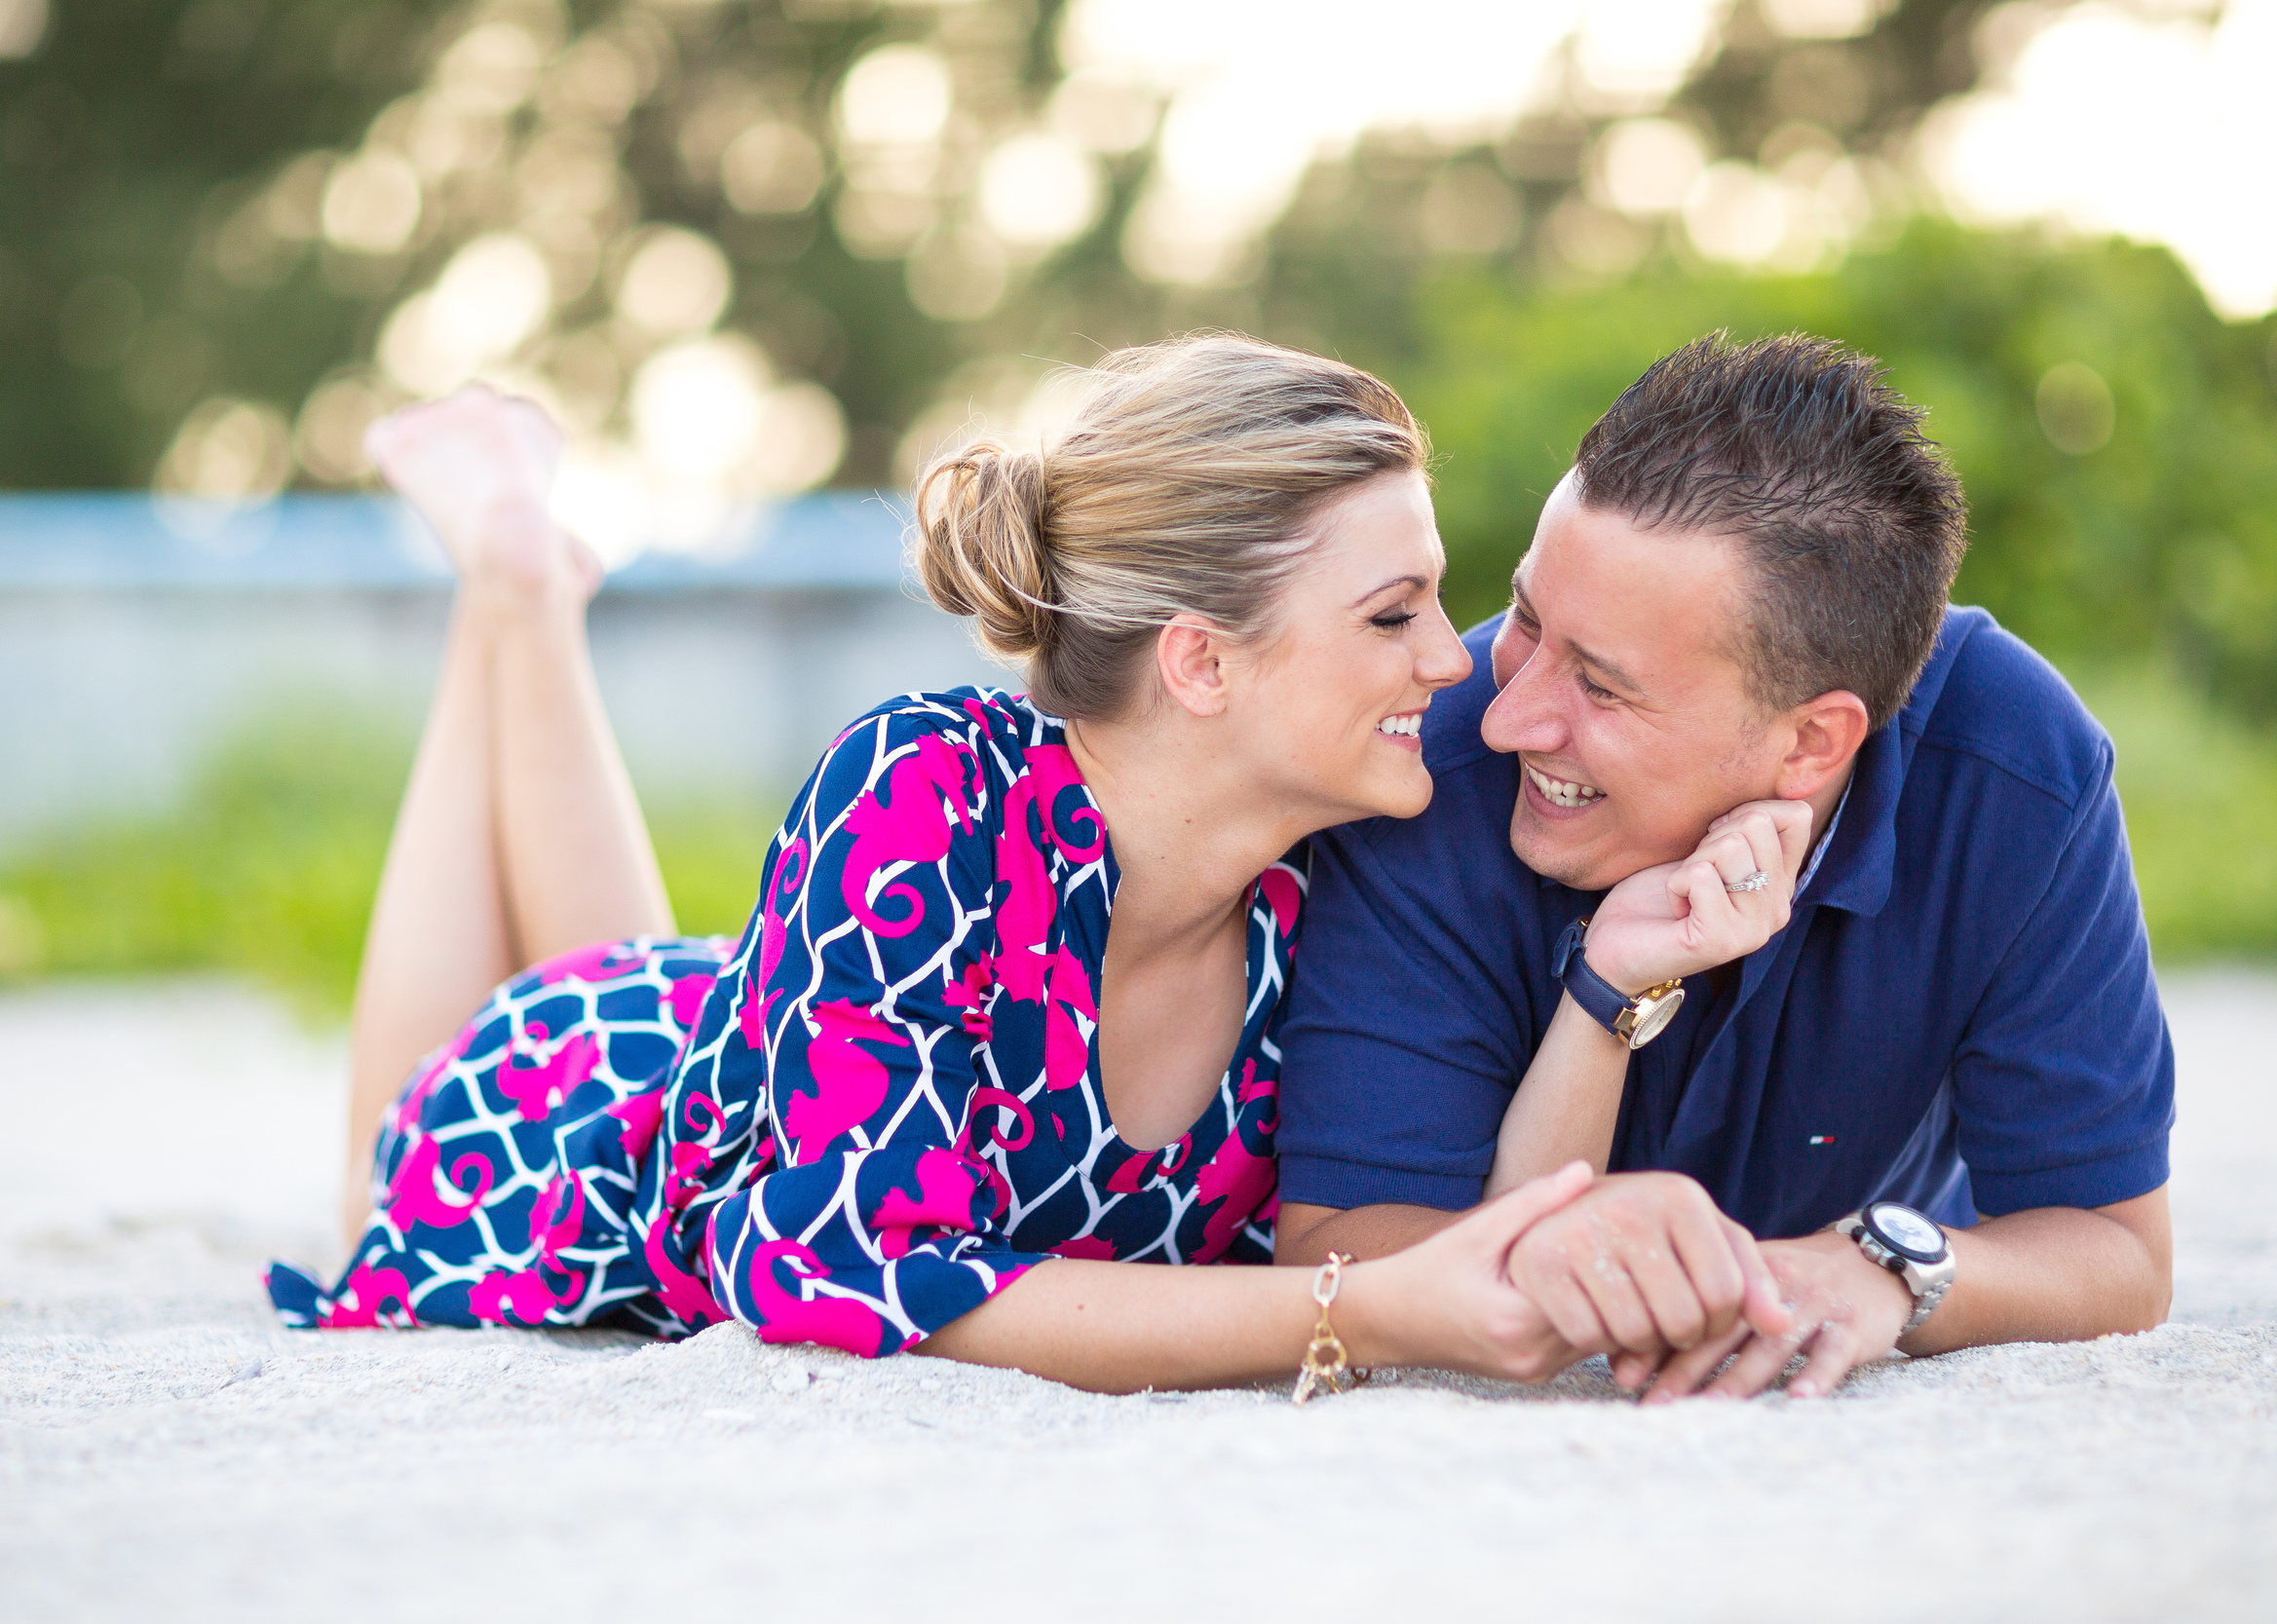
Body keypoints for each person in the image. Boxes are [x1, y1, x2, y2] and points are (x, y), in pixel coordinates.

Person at [264, 337, 1802, 1395]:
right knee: (367, 1184)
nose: (1453, 668)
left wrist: (1617, 976)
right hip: (562, 1132)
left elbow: (1464, 1237)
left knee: (676, 997)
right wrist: (1346, 1314)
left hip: (744, 1040)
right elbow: (829, 1264)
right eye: (1394, 612)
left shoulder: (1332, 871)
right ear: (1201, 661)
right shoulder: (925, 785)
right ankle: (514, 581)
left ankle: (526, 584)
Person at [1272, 332, 2178, 1401]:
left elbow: (2118, 1252)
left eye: (1602, 689)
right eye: (1525, 616)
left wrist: (1881, 1267)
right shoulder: (1434, 760)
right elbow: (1336, 1246)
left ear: (1811, 743)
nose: (1510, 713)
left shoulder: (2011, 768)